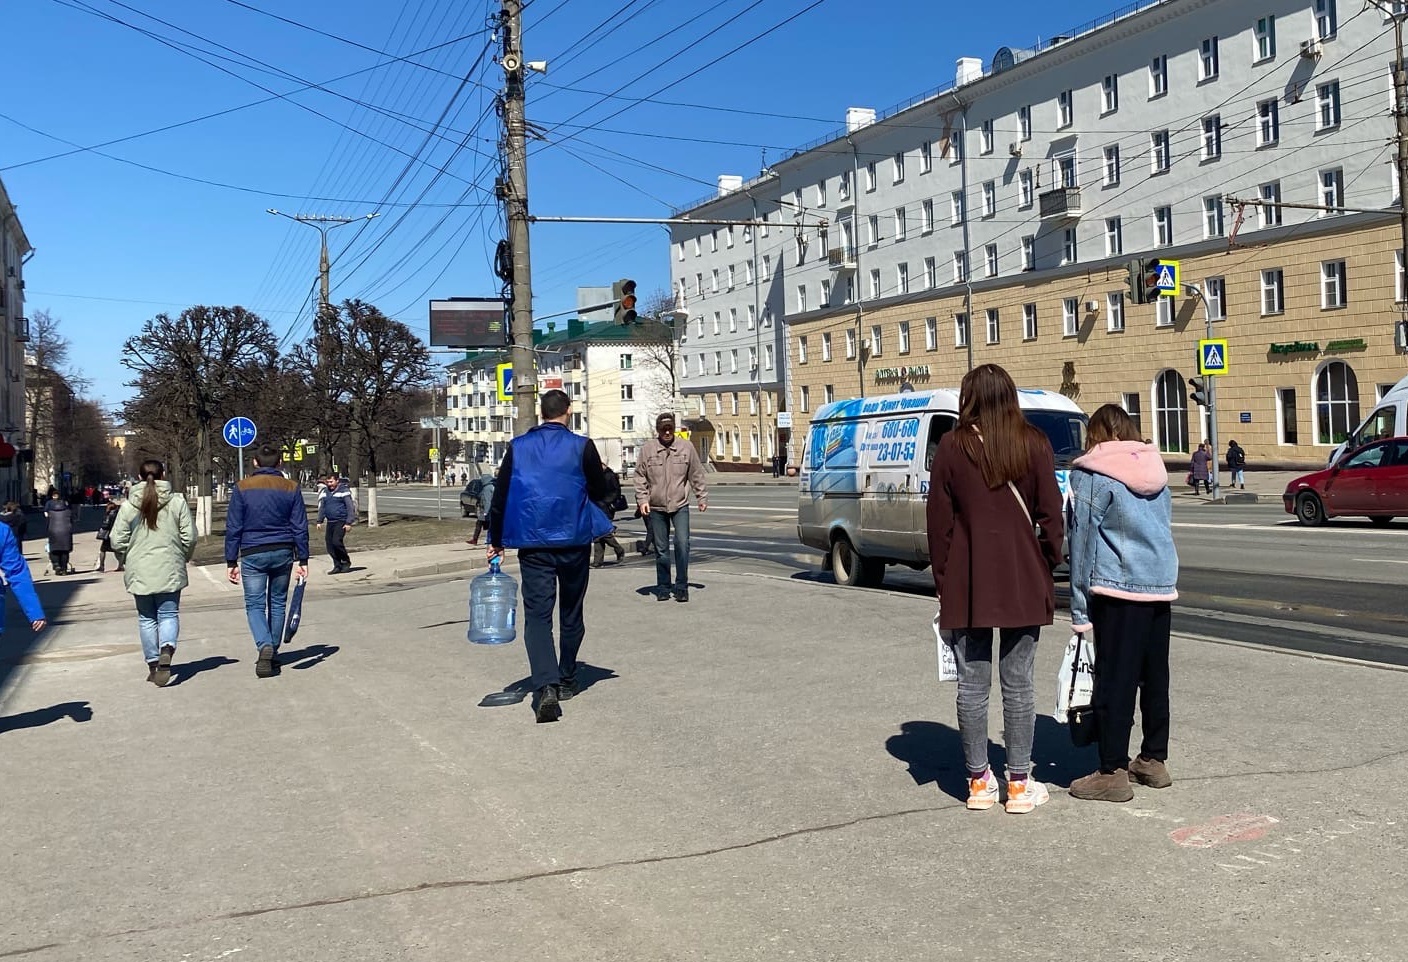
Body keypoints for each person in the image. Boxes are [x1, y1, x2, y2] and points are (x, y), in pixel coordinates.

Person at [927, 364, 1064, 815]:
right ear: (1009, 396)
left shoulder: (952, 445)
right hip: (1024, 577)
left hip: (969, 581)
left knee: (972, 684)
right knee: (1019, 684)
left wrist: (945, 581)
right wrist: (1046, 562)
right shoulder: (1034, 442)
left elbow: (939, 524)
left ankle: (978, 783)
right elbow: (1051, 515)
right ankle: (1020, 785)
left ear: (969, 397)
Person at [1066, 404, 1179, 802]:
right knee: (1153, 676)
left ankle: (1112, 769)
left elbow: (1082, 543)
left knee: (1115, 679)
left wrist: (1079, 608)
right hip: (1159, 584)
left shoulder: (1092, 474)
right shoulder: (1156, 469)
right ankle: (1153, 759)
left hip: (1115, 588)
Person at [486, 389, 613, 723]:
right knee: (571, 612)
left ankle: (545, 687)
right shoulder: (582, 446)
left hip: (533, 544)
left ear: (542, 413)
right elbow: (601, 491)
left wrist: (495, 539)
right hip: (573, 542)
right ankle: (568, 677)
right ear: (568, 412)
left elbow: (500, 496)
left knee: (538, 617)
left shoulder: (518, 447)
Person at [225, 443, 310, 679]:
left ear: (254, 463)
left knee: (254, 604)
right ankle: (272, 651)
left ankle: (264, 645)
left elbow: (234, 526)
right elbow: (299, 525)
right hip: (283, 550)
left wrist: (231, 560)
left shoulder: (242, 488)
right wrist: (303, 557)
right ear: (279, 463)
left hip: (252, 552)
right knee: (278, 603)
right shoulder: (291, 487)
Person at [109, 460, 196, 687]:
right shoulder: (177, 501)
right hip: (170, 566)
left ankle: (153, 664)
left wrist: (126, 556)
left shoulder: (128, 506)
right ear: (163, 475)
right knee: (168, 613)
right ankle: (167, 647)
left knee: (146, 618)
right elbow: (190, 536)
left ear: (139, 477)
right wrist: (182, 556)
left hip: (140, 570)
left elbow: (116, 540)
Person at [633, 413, 709, 602]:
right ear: (657, 430)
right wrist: (642, 500)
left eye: (669, 428)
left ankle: (682, 586)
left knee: (682, 544)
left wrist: (701, 496)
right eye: (663, 428)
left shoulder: (686, 447)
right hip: (656, 507)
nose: (667, 431)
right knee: (661, 549)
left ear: (673, 428)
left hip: (680, 504)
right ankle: (664, 586)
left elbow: (696, 473)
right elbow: (639, 476)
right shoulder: (648, 449)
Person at [316, 471, 357, 574]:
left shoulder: (344, 491)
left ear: (337, 481)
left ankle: (345, 561)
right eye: (328, 482)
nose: (329, 484)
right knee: (329, 545)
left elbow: (350, 507)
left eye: (331, 482)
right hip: (331, 521)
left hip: (341, 521)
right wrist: (319, 521)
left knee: (336, 541)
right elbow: (322, 507)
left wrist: (349, 522)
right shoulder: (325, 492)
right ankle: (337, 565)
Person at [590, 467, 628, 568]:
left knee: (603, 532)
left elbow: (616, 491)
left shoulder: (610, 475)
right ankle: (598, 561)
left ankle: (619, 549)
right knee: (598, 534)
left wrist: (607, 502)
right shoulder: (598, 475)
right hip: (597, 506)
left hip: (605, 507)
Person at [44, 487, 74, 575]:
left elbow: (47, 522)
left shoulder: (50, 512)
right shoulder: (68, 511)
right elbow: (72, 521)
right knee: (65, 551)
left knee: (54, 550)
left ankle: (56, 565)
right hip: (66, 532)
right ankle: (64, 568)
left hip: (53, 532)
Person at [467, 473, 495, 545]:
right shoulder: (490, 487)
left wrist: (486, 511)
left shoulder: (487, 488)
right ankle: (476, 539)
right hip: (488, 511)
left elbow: (487, 500)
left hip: (486, 511)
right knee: (485, 525)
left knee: (482, 525)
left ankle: (478, 539)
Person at [96, 499, 124, 572]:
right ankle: (121, 565)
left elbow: (106, 525)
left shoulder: (109, 515)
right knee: (117, 550)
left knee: (103, 550)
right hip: (116, 534)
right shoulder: (118, 514)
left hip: (108, 535)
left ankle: (102, 566)